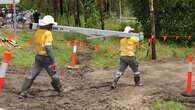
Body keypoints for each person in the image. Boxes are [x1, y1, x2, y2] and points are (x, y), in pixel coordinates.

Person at [20, 15, 63, 97]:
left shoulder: (37, 31)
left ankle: (23, 92)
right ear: (49, 25)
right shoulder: (48, 33)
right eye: (51, 25)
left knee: (31, 74)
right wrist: (53, 61)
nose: (52, 27)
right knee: (54, 75)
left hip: (38, 57)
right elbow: (48, 48)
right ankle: (60, 91)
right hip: (47, 59)